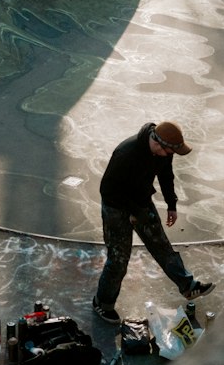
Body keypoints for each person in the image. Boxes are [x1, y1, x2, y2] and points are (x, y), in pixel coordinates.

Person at [92, 120, 214, 324]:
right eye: (170, 152)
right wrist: (133, 212)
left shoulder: (163, 153)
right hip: (116, 207)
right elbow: (107, 190)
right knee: (118, 260)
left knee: (162, 246)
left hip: (141, 201)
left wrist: (171, 204)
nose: (170, 156)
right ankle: (102, 303)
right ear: (158, 144)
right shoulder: (126, 153)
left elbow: (166, 176)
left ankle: (188, 286)